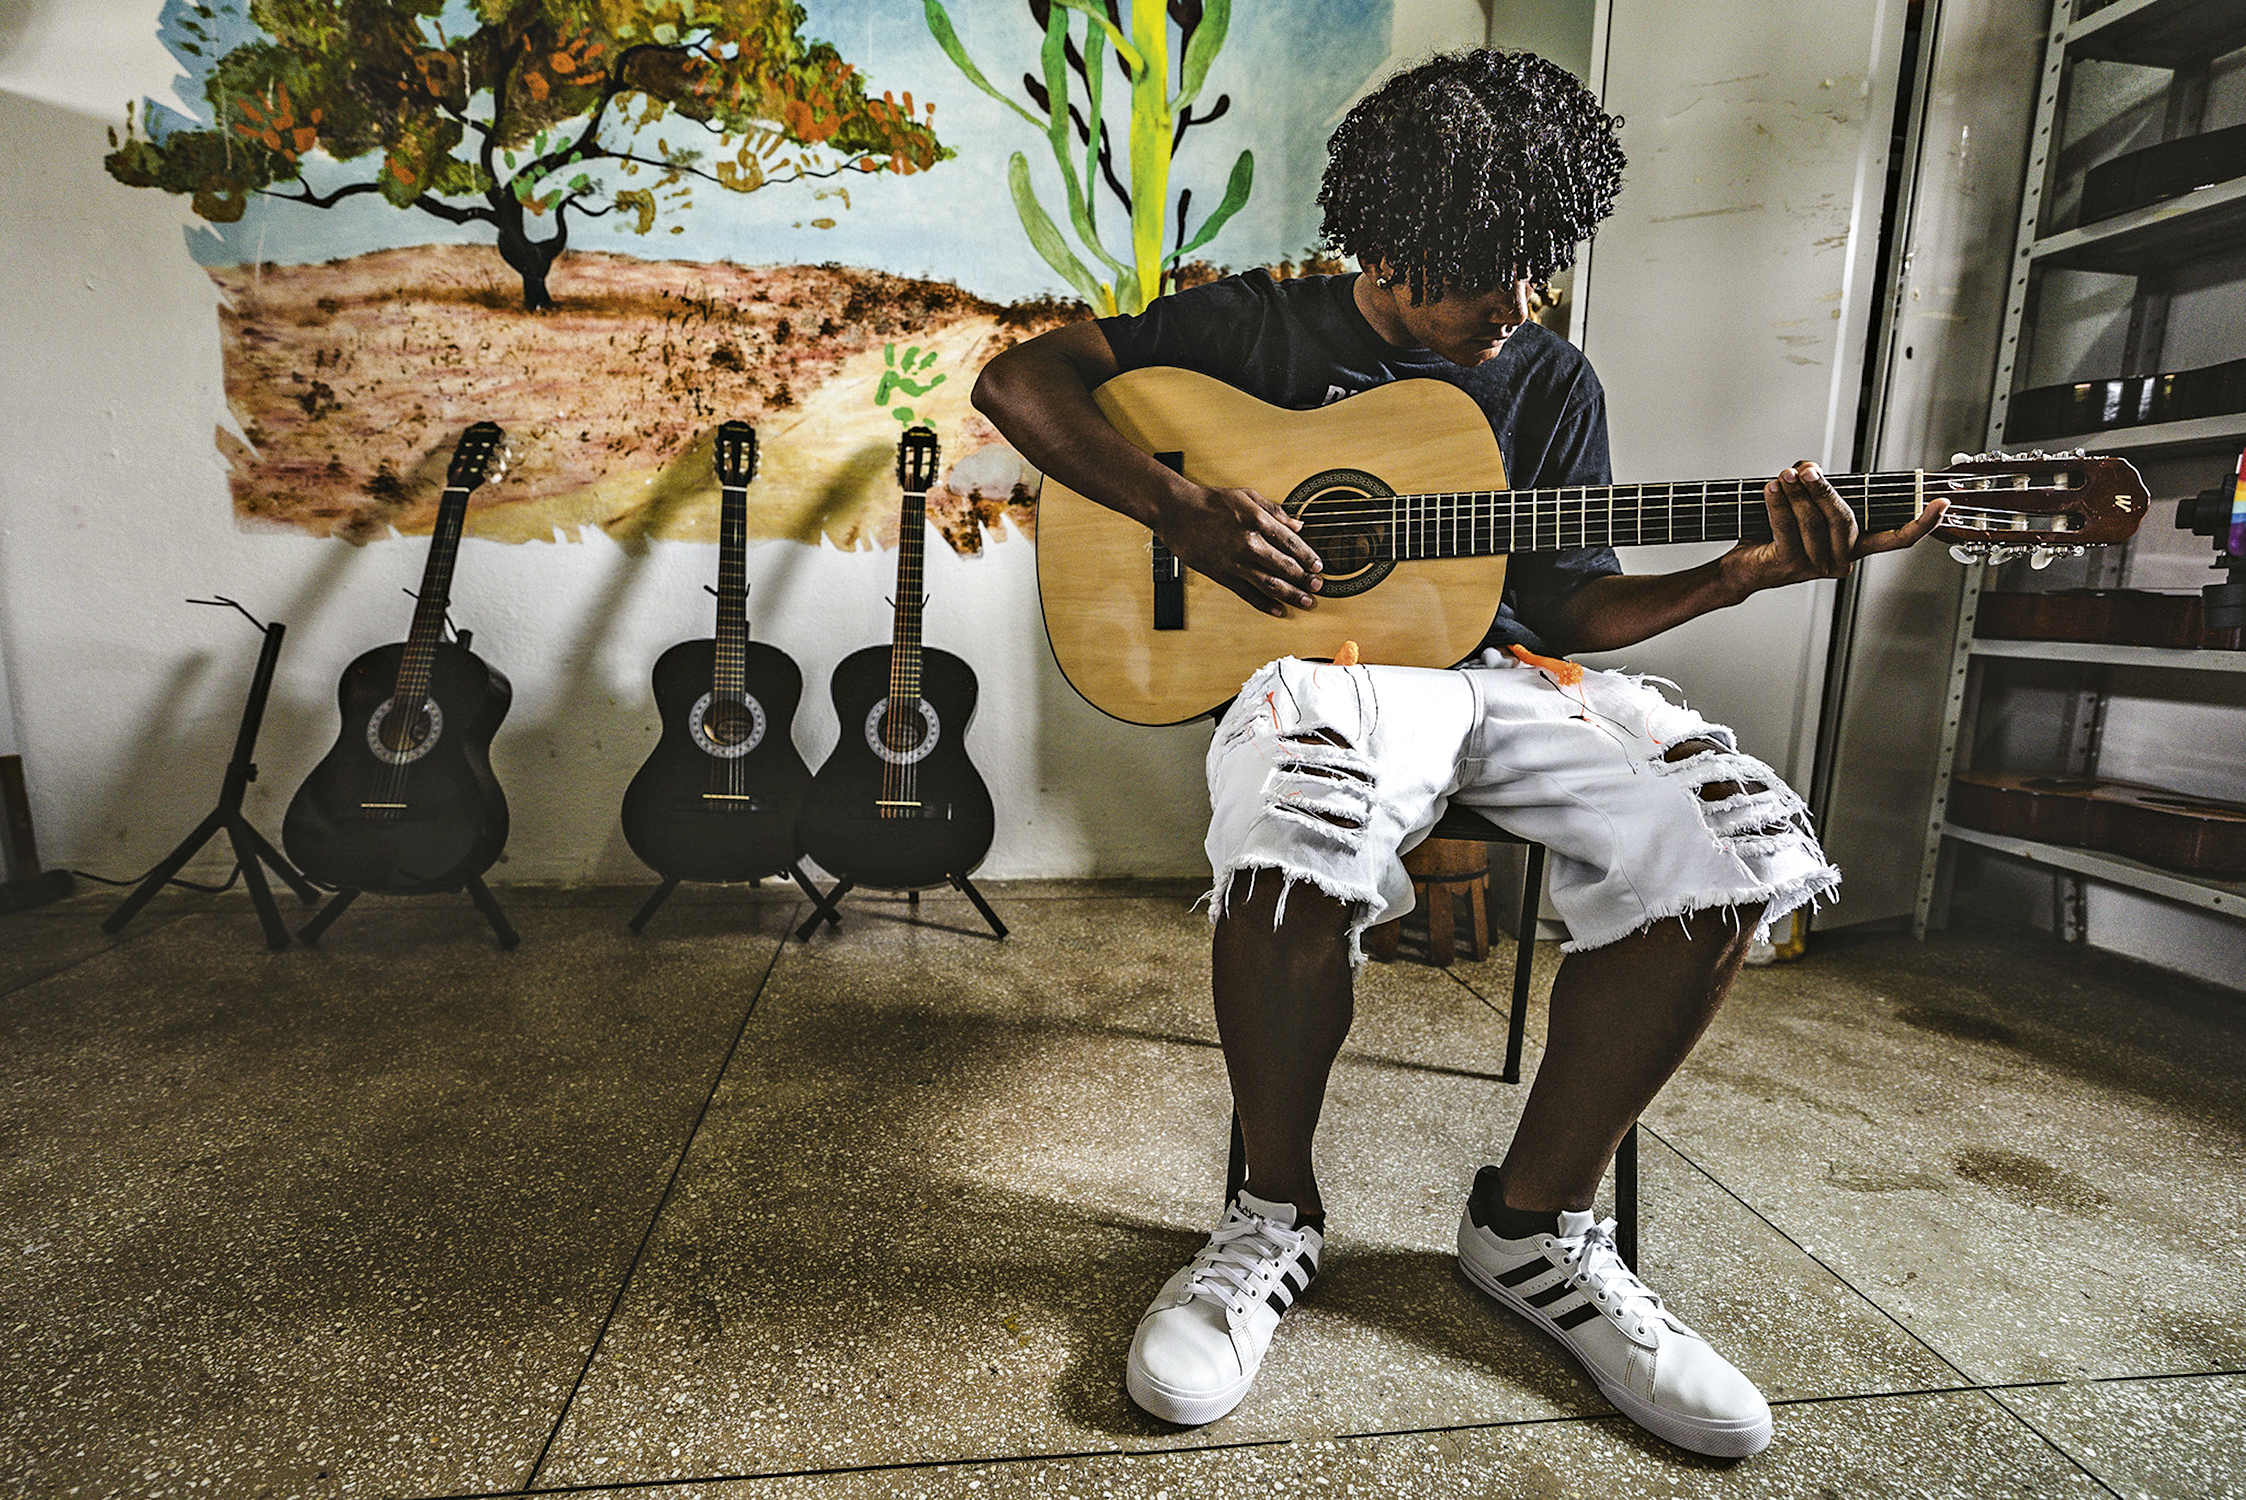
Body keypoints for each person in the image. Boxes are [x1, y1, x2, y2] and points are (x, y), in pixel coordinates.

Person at [971, 48, 1943, 1459]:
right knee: (1293, 842)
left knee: (1731, 845)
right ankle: (1270, 1218)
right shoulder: (1253, 330)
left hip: (1503, 675)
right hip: (1328, 671)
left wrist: (1735, 578)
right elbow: (1020, 383)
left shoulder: (1548, 379)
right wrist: (1176, 507)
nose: (1519, 304)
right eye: (1486, 271)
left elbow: (1572, 608)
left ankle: (1531, 1231)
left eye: (1538, 267)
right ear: (1391, 244)